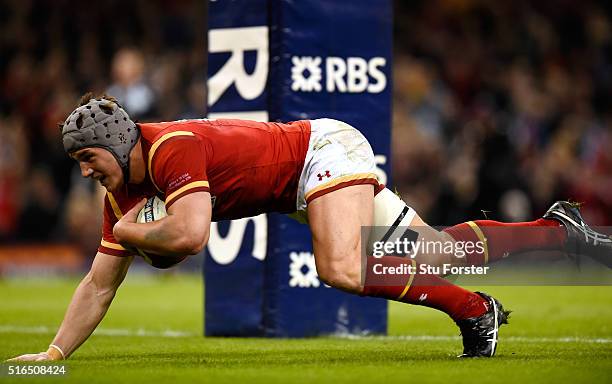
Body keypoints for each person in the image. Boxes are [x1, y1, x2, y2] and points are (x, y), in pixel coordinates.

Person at [7, 94, 611, 362]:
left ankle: (473, 311)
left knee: (340, 268)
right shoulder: (124, 195)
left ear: (114, 141)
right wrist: (56, 352)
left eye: (89, 160)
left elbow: (190, 237)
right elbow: (98, 285)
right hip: (299, 184)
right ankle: (556, 233)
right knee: (439, 254)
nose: (87, 174)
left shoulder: (171, 148)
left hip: (320, 151)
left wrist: (135, 236)